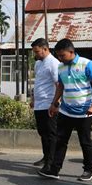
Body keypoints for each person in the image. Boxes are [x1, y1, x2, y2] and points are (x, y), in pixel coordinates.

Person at [38, 38, 92, 182]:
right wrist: (54, 103)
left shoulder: (87, 64)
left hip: (84, 112)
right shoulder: (61, 66)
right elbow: (60, 86)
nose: (60, 58)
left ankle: (88, 170)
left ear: (71, 52)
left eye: (62, 55)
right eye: (58, 56)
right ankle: (54, 170)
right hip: (66, 111)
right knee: (61, 141)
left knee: (85, 142)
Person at [30, 38, 59, 169]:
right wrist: (33, 99)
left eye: (37, 52)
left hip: (49, 104)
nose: (35, 55)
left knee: (51, 134)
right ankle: (46, 157)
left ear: (45, 49)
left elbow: (59, 84)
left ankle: (51, 162)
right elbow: (38, 83)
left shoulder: (54, 63)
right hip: (39, 104)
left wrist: (55, 103)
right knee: (42, 133)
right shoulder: (38, 64)